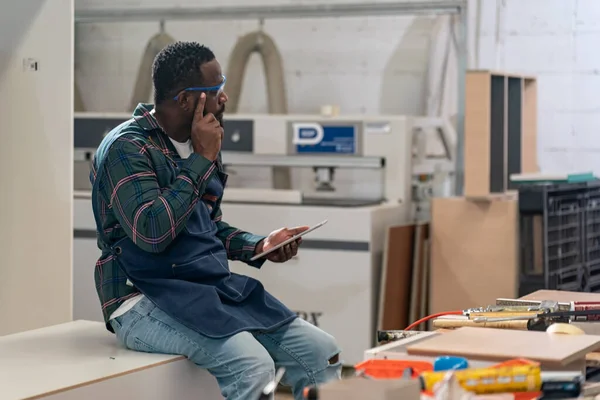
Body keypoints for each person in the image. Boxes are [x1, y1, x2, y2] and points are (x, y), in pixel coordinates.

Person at [89, 41, 342, 399]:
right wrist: (202, 159)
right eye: (216, 90)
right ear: (185, 100)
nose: (224, 98)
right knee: (252, 365)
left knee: (321, 351)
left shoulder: (197, 143)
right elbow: (152, 232)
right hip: (140, 298)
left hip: (201, 290)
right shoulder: (127, 148)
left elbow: (204, 226)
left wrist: (260, 245)